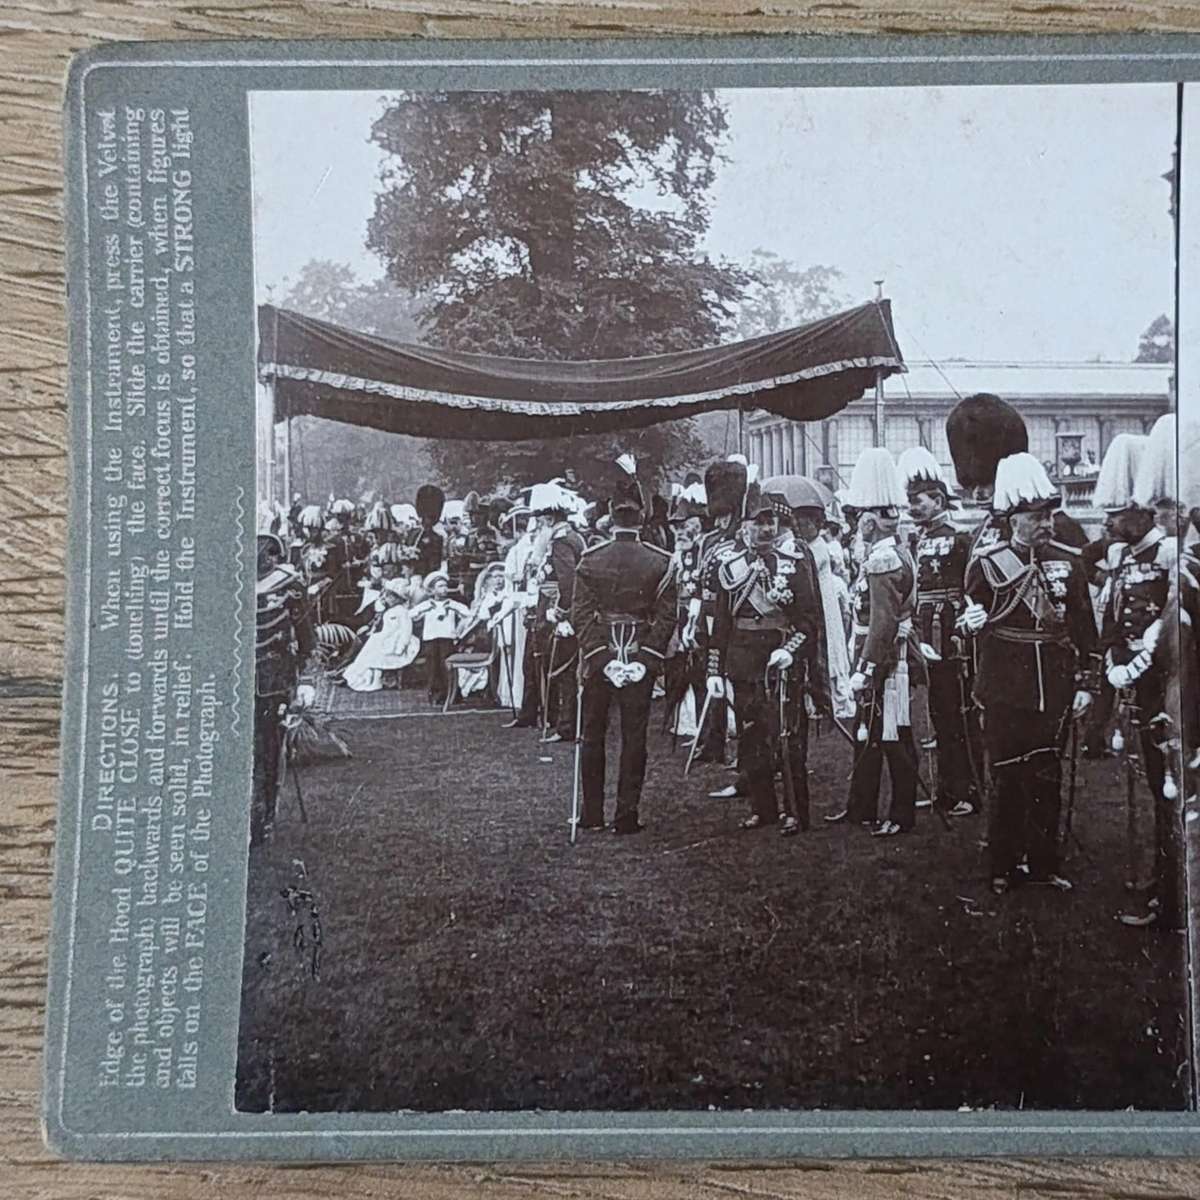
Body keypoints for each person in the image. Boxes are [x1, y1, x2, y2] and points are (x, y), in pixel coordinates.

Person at [959, 452, 1097, 895]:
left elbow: (1084, 627)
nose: (1046, 524)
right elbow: (970, 620)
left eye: (1049, 515)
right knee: (1005, 775)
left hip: (1053, 685)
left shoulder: (1068, 562)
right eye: (1036, 516)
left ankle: (1043, 863)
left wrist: (1086, 684)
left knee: (1046, 774)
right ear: (1013, 518)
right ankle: (1001, 862)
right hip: (1004, 684)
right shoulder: (987, 564)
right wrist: (968, 626)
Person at [705, 489, 823, 835]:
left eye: (771, 521)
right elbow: (721, 623)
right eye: (758, 522)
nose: (766, 529)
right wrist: (715, 669)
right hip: (743, 658)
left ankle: (795, 811)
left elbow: (809, 620)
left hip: (781, 656)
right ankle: (763, 807)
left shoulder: (794, 562)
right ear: (744, 527)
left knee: (788, 736)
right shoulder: (729, 565)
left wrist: (793, 649)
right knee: (751, 736)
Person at [1104, 418, 1182, 929]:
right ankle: (1161, 883)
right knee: (1155, 787)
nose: (1109, 521)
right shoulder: (1126, 558)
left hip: (1167, 685)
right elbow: (1115, 619)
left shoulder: (1170, 557)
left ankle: (1172, 893)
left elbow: (1171, 630)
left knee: (1169, 789)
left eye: (1117, 513)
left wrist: (1139, 659)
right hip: (1138, 685)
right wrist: (1115, 662)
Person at [826, 449, 926, 836]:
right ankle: (861, 806)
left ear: (870, 521)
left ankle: (901, 814)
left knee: (893, 736)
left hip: (884, 661)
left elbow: (882, 623)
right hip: (876, 655)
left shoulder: (883, 559)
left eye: (858, 518)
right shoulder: (888, 552)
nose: (855, 526)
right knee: (868, 735)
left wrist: (866, 669)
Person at [571, 479, 678, 834]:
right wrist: (644, 661)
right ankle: (626, 816)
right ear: (642, 515)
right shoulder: (660, 561)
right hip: (638, 653)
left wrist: (603, 660)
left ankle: (591, 814)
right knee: (634, 737)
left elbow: (582, 616)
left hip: (601, 655)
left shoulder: (590, 559)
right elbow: (666, 617)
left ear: (610, 513)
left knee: (592, 734)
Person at [897, 446, 981, 818]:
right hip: (925, 631)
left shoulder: (959, 538)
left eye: (920, 501)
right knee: (939, 714)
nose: (914, 507)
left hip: (950, 632)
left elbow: (971, 589)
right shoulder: (916, 539)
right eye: (912, 501)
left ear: (940, 500)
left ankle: (969, 791)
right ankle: (948, 790)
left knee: (957, 713)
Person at [683, 456, 749, 771]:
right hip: (708, 618)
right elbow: (700, 582)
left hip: (733, 619)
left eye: (726, 513)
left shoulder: (743, 539)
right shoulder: (709, 540)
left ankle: (745, 747)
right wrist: (694, 618)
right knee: (709, 678)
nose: (722, 520)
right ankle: (713, 739)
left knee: (735, 682)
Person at [253, 533, 315, 846]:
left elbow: (306, 638)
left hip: (273, 680)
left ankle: (263, 817)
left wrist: (304, 680)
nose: (265, 558)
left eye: (267, 553)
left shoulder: (288, 584)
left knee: (268, 750)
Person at [411, 572, 472, 706]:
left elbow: (468, 615)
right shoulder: (427, 604)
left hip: (447, 639)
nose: (444, 589)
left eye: (445, 586)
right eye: (440, 586)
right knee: (433, 667)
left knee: (447, 667)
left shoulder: (452, 604)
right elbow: (412, 615)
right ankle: (436, 694)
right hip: (430, 639)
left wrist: (459, 629)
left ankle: (452, 694)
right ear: (432, 590)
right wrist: (423, 612)